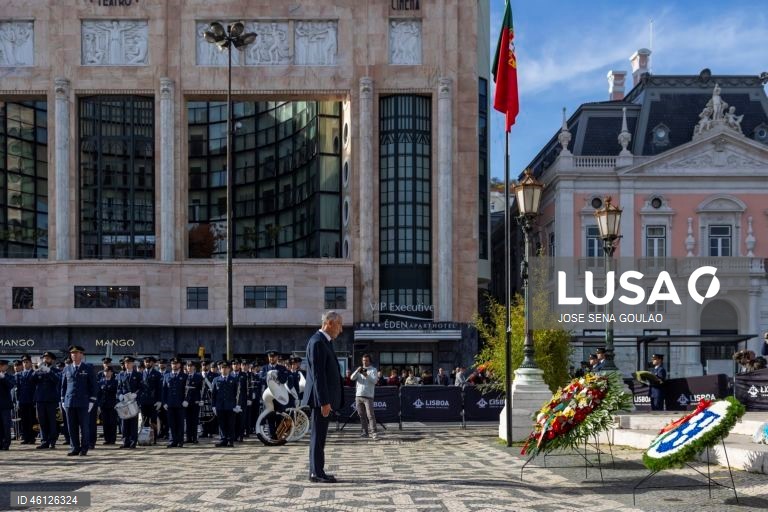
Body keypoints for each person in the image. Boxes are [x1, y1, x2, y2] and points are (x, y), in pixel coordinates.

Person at [302, 311, 344, 484]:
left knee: (320, 437)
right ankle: (316, 473)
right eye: (339, 324)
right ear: (329, 323)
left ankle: (317, 470)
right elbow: (318, 375)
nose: (341, 330)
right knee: (318, 437)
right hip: (320, 401)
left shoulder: (325, 342)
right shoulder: (317, 342)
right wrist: (324, 402)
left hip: (323, 399)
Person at [60, 345, 98, 456]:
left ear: (82, 355)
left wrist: (92, 401)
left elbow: (93, 386)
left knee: (84, 427)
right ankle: (74, 447)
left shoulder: (88, 368)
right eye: (72, 353)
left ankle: (84, 448)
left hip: (83, 402)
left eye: (76, 353)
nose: (74, 355)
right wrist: (62, 400)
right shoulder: (67, 368)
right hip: (69, 401)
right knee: (71, 427)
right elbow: (63, 386)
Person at [32, 351, 60, 449]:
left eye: (48, 358)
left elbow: (57, 380)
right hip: (40, 399)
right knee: (42, 421)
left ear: (52, 360)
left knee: (52, 421)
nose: (45, 360)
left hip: (51, 400)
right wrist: (35, 370)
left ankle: (52, 441)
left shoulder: (55, 370)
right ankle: (44, 441)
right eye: (44, 358)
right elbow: (32, 381)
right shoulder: (39, 370)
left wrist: (48, 371)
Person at [162, 357, 187, 448]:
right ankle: (173, 440)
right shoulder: (167, 376)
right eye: (173, 364)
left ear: (180, 365)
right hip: (170, 403)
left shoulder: (184, 376)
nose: (174, 365)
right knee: (171, 423)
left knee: (180, 423)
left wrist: (186, 400)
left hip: (180, 403)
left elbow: (187, 390)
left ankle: (180, 441)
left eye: (176, 363)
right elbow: (164, 390)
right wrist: (164, 402)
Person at [351, 354, 378, 439]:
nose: (364, 362)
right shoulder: (359, 370)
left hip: (368, 396)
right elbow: (352, 378)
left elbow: (375, 381)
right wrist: (357, 371)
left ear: (369, 361)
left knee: (370, 415)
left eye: (366, 360)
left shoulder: (373, 370)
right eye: (363, 360)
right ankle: (365, 432)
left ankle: (374, 433)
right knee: (361, 415)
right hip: (358, 396)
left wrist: (366, 374)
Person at [117, 356, 141, 449]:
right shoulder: (121, 374)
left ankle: (133, 442)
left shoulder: (138, 375)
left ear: (132, 364)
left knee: (133, 422)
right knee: (124, 422)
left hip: (133, 401)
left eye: (129, 363)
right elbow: (119, 388)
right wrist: (119, 395)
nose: (127, 364)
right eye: (125, 363)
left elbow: (142, 387)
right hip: (124, 402)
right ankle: (125, 441)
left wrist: (136, 395)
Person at [211, 361, 236, 447]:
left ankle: (230, 440)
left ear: (229, 369)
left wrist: (237, 405)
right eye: (222, 368)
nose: (224, 369)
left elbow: (237, 393)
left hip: (230, 405)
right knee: (221, 424)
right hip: (220, 405)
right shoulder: (216, 380)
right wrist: (213, 406)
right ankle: (223, 439)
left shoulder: (233, 379)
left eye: (226, 368)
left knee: (230, 423)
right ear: (220, 369)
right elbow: (213, 394)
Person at [138, 356, 163, 444]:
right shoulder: (140, 374)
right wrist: (138, 401)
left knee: (153, 421)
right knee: (144, 420)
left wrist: (160, 400)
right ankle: (145, 437)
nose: (147, 363)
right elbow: (139, 389)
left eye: (149, 362)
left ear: (152, 363)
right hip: (144, 401)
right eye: (146, 362)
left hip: (153, 401)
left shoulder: (157, 374)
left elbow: (160, 388)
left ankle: (154, 439)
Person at [15, 354, 36, 445]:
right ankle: (25, 437)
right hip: (23, 400)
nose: (25, 364)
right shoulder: (19, 374)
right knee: (24, 420)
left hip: (32, 400)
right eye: (23, 362)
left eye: (27, 362)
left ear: (30, 363)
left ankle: (32, 437)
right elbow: (18, 388)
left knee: (32, 419)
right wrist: (17, 400)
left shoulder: (34, 373)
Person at [98, 366, 118, 445]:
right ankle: (107, 439)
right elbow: (99, 394)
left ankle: (112, 439)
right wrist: (99, 404)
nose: (107, 373)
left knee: (112, 423)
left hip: (113, 405)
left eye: (109, 371)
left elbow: (116, 392)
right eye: (106, 371)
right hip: (104, 405)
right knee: (105, 423)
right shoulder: (101, 382)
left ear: (112, 372)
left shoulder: (115, 382)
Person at [184, 361, 203, 444]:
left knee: (194, 421)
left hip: (195, 401)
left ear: (194, 367)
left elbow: (202, 389)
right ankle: (188, 438)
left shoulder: (198, 377)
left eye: (191, 366)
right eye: (188, 366)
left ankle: (195, 438)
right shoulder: (185, 376)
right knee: (188, 421)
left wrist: (201, 399)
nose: (189, 367)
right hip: (186, 402)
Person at [0, 360, 15, 450]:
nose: (1, 367)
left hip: (5, 405)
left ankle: (6, 443)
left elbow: (10, 386)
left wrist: (3, 377)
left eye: (2, 365)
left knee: (6, 425)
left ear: (6, 367)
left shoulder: (9, 376)